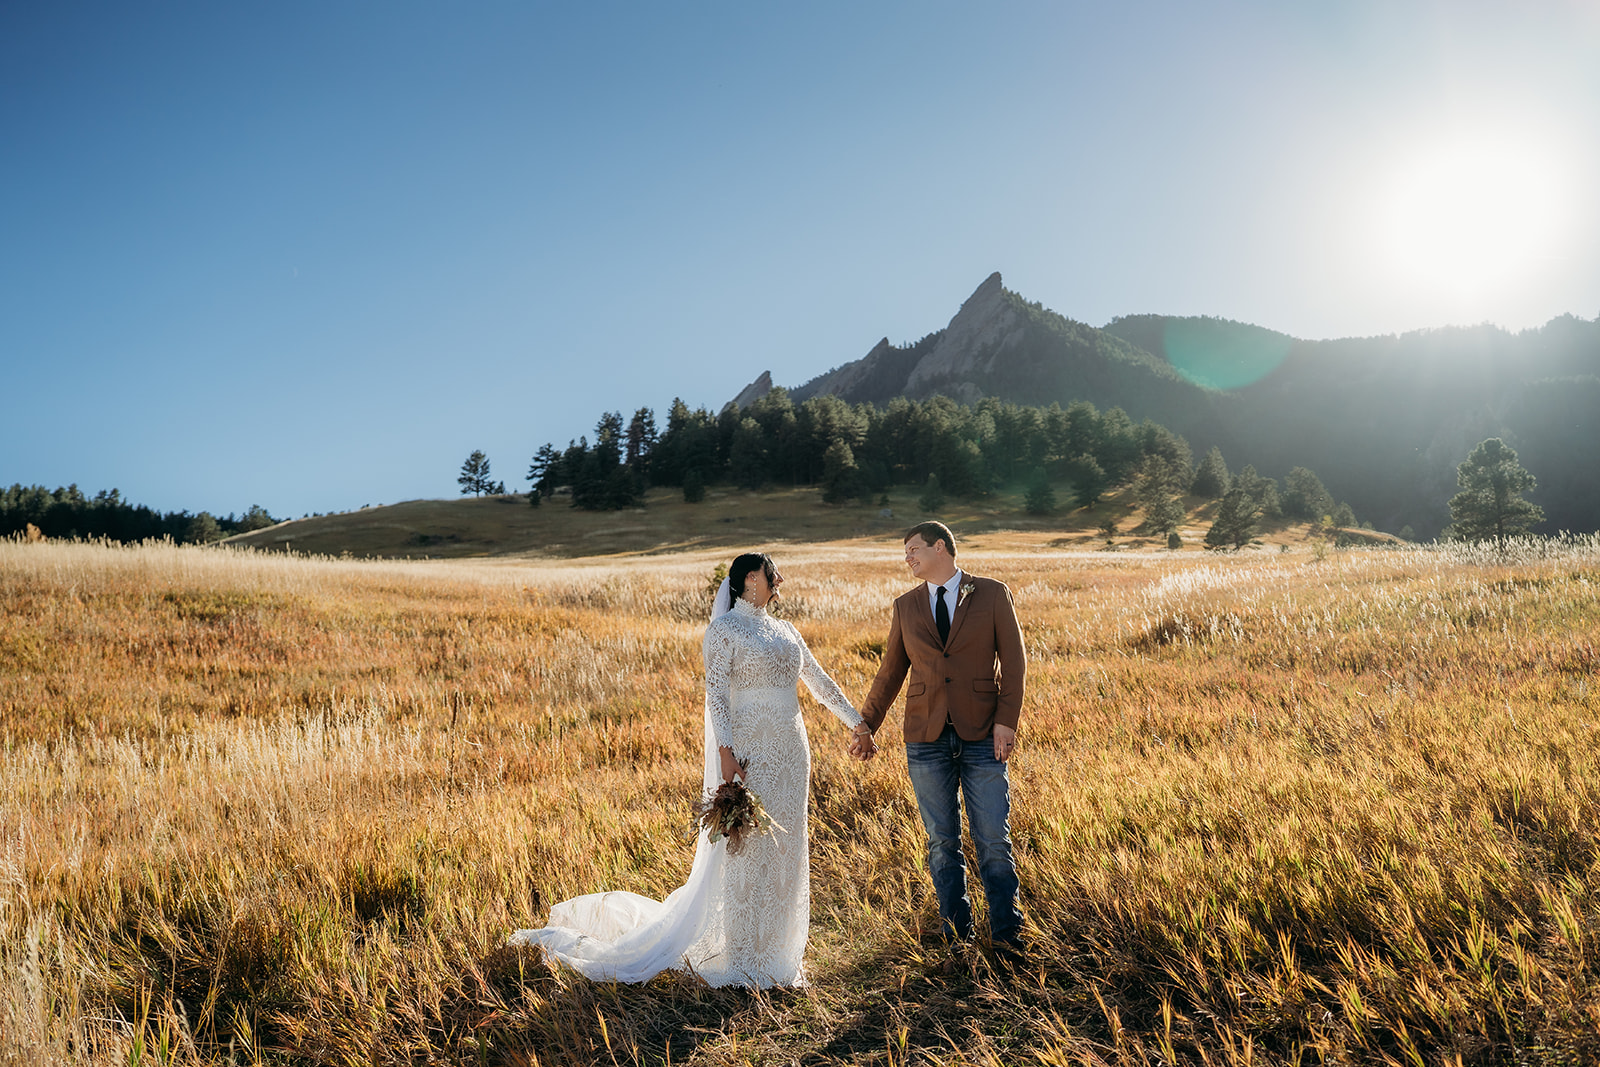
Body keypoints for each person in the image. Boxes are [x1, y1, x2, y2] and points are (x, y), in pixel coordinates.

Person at [509, 552, 871, 988]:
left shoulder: (787, 630)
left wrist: (858, 722)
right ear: (752, 578)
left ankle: (778, 952)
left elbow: (819, 680)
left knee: (786, 847)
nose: (781, 580)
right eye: (774, 574)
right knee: (746, 846)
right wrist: (725, 752)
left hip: (792, 753)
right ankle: (743, 954)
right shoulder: (723, 631)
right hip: (750, 752)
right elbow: (716, 694)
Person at [856, 521, 1027, 959]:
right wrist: (867, 724)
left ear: (940, 548)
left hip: (983, 735)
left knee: (992, 838)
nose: (907, 558)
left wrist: (1006, 721)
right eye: (905, 552)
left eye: (913, 549)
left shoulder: (990, 593)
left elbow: (1014, 661)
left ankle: (1008, 937)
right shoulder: (906, 606)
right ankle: (957, 937)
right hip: (925, 738)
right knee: (941, 841)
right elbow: (891, 672)